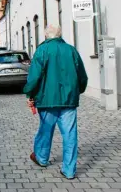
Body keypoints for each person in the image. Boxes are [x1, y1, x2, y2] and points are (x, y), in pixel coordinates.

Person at [23, 25, 88, 180]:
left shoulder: (42, 51)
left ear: (46, 35)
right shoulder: (71, 50)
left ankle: (42, 158)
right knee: (70, 135)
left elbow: (34, 77)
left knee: (45, 130)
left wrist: (30, 94)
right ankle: (69, 170)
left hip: (47, 100)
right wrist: (77, 91)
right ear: (60, 35)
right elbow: (82, 76)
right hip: (68, 101)